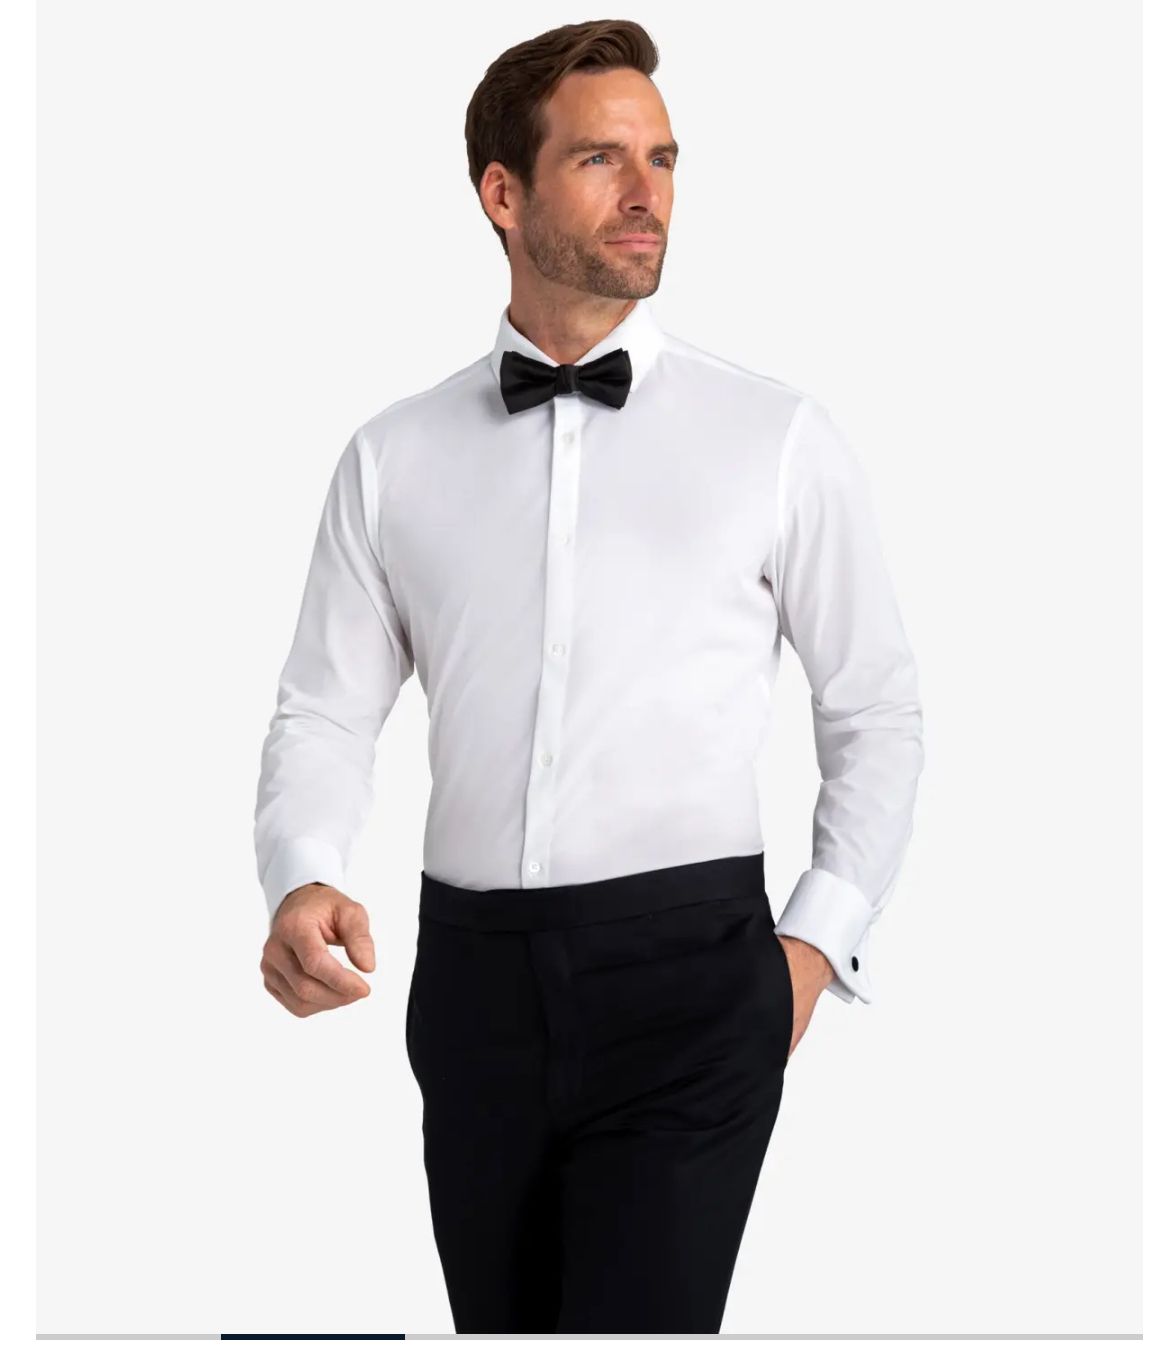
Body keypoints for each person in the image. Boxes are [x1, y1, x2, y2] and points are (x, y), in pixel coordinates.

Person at [253, 17, 924, 1334]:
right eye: (601, 159)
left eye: (662, 158)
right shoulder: (393, 456)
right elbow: (326, 706)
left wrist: (810, 947)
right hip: (474, 988)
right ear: (503, 194)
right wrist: (303, 871)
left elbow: (875, 708)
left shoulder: (777, 438)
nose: (647, 192)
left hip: (695, 979)